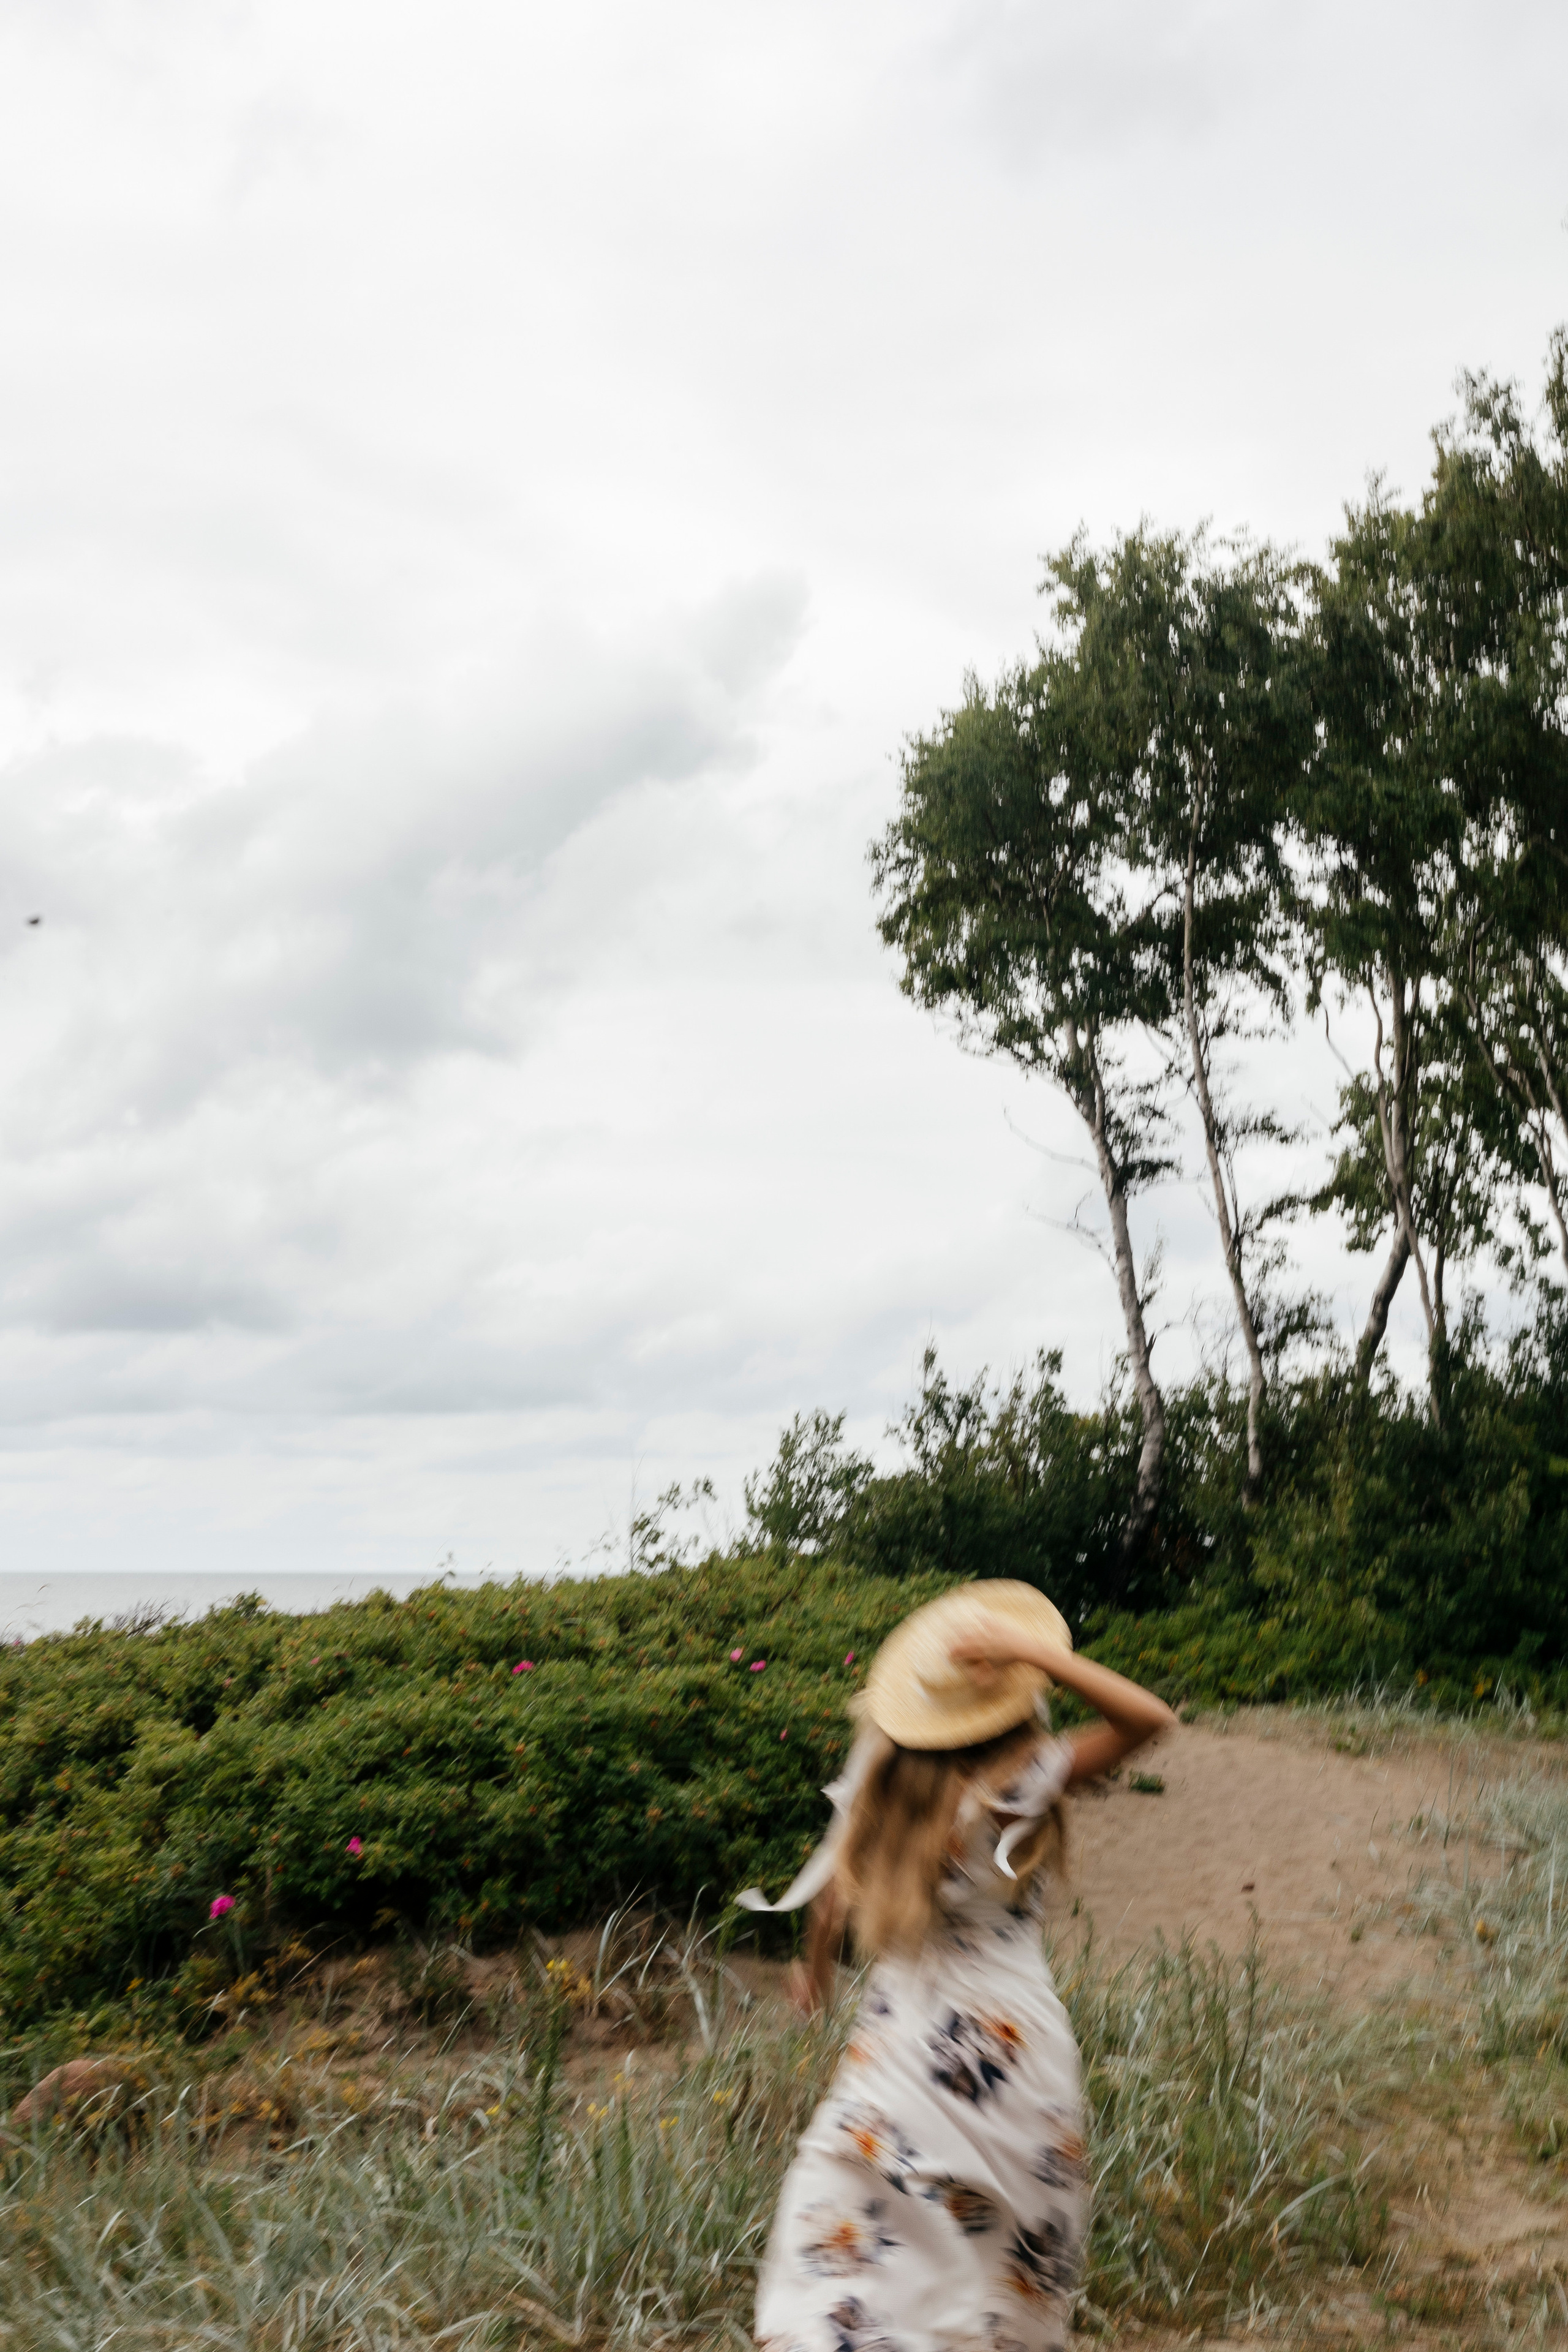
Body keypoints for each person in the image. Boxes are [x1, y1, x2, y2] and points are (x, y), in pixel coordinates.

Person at [738, 1580, 1175, 2352]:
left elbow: (830, 1900)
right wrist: (1036, 1652)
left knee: (846, 2232)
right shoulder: (1019, 1784)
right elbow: (1149, 1719)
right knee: (992, 2266)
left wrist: (816, 1976)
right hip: (1009, 2049)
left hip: (899, 2042)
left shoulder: (885, 1785)